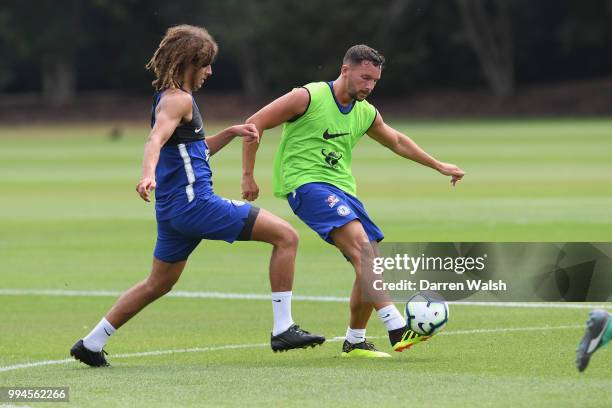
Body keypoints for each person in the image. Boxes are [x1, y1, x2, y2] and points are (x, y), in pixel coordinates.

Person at [70, 25, 324, 367]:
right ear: (189, 63)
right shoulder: (179, 99)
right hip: (196, 205)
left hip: (174, 212)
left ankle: (91, 342)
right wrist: (147, 174)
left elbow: (194, 151)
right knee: (287, 237)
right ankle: (283, 328)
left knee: (157, 284)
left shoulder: (171, 98)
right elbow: (155, 140)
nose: (209, 71)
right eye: (205, 64)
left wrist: (231, 134)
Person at [242, 44, 465, 358]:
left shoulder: (365, 112)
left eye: (374, 81)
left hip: (343, 190)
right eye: (364, 78)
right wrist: (248, 175)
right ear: (345, 70)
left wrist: (439, 165)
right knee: (363, 249)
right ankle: (397, 326)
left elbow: (397, 141)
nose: (369, 86)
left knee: (372, 262)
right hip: (305, 184)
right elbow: (254, 123)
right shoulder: (307, 97)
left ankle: (355, 340)